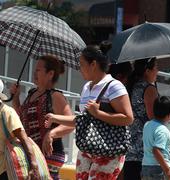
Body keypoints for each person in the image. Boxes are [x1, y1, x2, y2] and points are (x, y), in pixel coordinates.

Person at [45, 45, 134, 179]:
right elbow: (83, 120)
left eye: (81, 64)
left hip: (109, 150)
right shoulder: (87, 87)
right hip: (87, 149)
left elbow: (128, 118)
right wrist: (55, 118)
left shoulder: (114, 86)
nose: (79, 69)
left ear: (93, 64)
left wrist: (98, 113)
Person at [10, 55, 74, 180]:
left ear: (50, 74)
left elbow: (71, 123)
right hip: (32, 152)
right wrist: (16, 97)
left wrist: (51, 134)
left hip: (50, 153)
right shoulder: (32, 93)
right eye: (35, 70)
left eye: (38, 70)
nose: (34, 73)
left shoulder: (55, 96)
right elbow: (22, 118)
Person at [123, 58, 159, 180]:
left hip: (129, 145)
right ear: (147, 70)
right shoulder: (149, 89)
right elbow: (152, 117)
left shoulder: (131, 84)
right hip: (144, 148)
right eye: (156, 68)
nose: (157, 72)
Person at [142, 96, 170, 180]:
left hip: (145, 167)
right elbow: (156, 150)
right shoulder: (163, 130)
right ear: (169, 114)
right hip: (158, 169)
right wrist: (168, 170)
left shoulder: (147, 125)